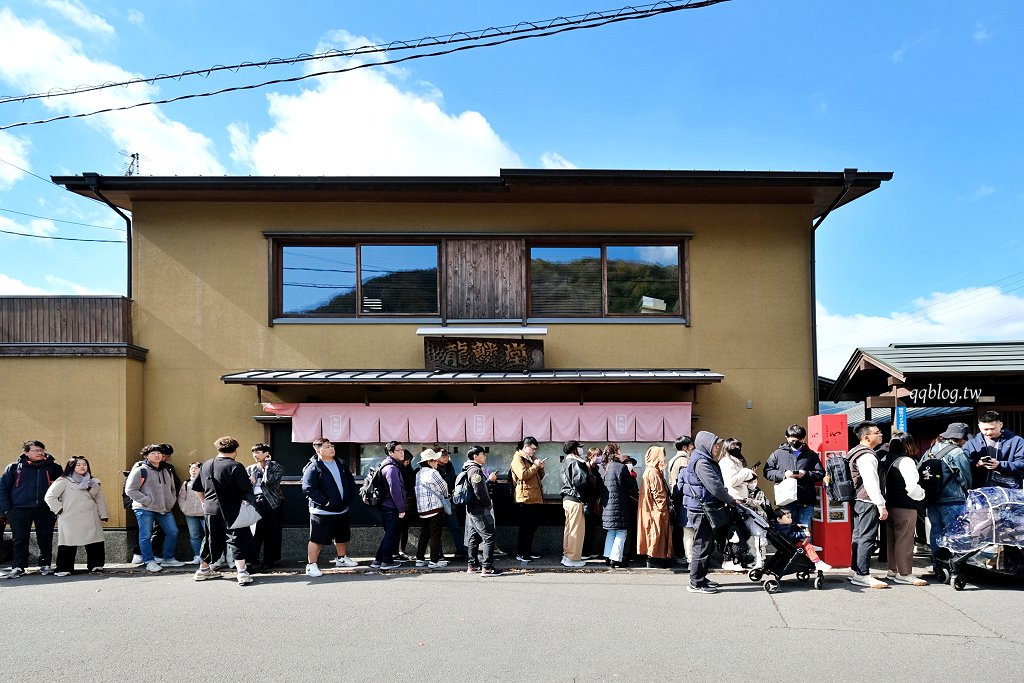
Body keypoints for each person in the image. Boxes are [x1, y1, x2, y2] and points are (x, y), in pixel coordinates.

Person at [681, 430, 743, 594]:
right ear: (706, 444)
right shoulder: (701, 462)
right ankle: (696, 582)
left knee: (705, 544)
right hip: (702, 509)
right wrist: (730, 500)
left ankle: (701, 577)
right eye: (715, 444)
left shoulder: (702, 458)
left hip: (702, 507)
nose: (717, 448)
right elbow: (714, 486)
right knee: (702, 545)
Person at [192, 436, 256, 586]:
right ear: (235, 450)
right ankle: (241, 572)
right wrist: (251, 481)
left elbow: (197, 488)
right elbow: (245, 488)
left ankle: (203, 570)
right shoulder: (235, 466)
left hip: (210, 509)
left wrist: (204, 503)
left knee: (210, 538)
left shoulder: (207, 465)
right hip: (232, 510)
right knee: (237, 538)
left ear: (218, 449)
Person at [0, 440, 64, 578]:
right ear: (26, 452)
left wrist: (58, 508)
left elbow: (62, 489)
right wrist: (6, 510)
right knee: (20, 539)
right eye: (36, 450)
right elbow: (3, 488)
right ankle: (18, 566)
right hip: (19, 509)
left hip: (45, 509)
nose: (40, 453)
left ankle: (45, 565)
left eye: (42, 450)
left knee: (45, 538)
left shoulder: (54, 468)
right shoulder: (14, 467)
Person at [301, 438, 359, 577]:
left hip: (342, 509)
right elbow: (307, 488)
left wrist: (348, 498)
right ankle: (311, 565)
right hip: (322, 511)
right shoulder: (314, 466)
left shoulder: (340, 463)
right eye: (327, 447)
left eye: (332, 446)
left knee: (343, 535)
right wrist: (325, 502)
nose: (331, 448)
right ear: (318, 450)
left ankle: (341, 558)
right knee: (317, 538)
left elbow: (350, 482)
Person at [920, 422, 972, 577]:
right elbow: (965, 477)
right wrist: (969, 492)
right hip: (953, 499)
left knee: (936, 531)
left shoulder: (931, 450)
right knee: (954, 533)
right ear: (960, 438)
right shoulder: (957, 452)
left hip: (932, 499)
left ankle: (938, 564)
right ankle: (954, 566)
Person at [43, 456, 109, 576]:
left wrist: (103, 514)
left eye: (84, 464)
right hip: (69, 517)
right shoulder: (63, 481)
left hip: (90, 515)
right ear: (71, 467)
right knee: (68, 542)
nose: (82, 466)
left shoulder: (93, 482)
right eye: (78, 464)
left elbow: (100, 499)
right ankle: (64, 568)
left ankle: (96, 565)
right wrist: (59, 509)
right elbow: (49, 497)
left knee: (95, 540)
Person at [124, 443, 183, 572]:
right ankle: (149, 561)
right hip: (144, 508)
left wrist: (171, 501)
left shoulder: (167, 470)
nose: (157, 455)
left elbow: (172, 488)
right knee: (145, 534)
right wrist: (146, 500)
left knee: (173, 531)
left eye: (159, 453)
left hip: (164, 508)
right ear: (146, 456)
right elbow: (130, 490)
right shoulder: (140, 470)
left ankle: (169, 558)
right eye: (153, 453)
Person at [846, 421, 889, 589]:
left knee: (858, 535)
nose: (881, 435)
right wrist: (881, 505)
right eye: (877, 433)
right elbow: (871, 482)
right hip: (867, 500)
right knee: (866, 537)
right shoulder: (868, 456)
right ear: (866, 437)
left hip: (857, 499)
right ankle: (862, 574)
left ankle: (856, 570)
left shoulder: (854, 452)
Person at [763, 424, 825, 539]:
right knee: (787, 531)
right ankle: (789, 556)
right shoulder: (777, 454)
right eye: (792, 438)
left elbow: (821, 473)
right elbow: (767, 472)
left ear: (803, 439)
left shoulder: (811, 455)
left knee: (805, 532)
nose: (795, 441)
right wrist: (784, 474)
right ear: (786, 437)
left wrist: (806, 474)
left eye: (798, 438)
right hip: (786, 500)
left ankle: (805, 555)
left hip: (806, 498)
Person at [882, 432, 927, 585]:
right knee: (905, 540)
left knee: (892, 540)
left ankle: (893, 570)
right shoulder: (907, 461)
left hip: (890, 504)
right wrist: (922, 495)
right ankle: (905, 573)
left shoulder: (887, 459)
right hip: (905, 506)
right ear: (909, 445)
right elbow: (912, 488)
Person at [462, 445, 502, 577]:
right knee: (489, 536)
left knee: (474, 537)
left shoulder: (468, 469)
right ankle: (487, 568)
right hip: (479, 509)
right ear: (475, 456)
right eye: (482, 454)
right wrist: (487, 503)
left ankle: (472, 565)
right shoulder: (475, 471)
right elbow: (479, 491)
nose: (485, 456)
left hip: (472, 509)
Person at [716, 437, 754, 570]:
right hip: (732, 500)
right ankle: (729, 560)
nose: (737, 449)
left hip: (742, 500)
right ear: (726, 447)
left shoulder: (738, 461)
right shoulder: (726, 462)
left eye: (738, 446)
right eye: (733, 447)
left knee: (743, 532)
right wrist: (745, 473)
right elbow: (731, 481)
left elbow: (742, 480)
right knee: (733, 532)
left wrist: (750, 478)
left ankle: (741, 558)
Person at [964, 410, 1024, 489]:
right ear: (979, 426)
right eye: (985, 429)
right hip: (979, 488)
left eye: (992, 429)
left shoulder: (1017, 441)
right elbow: (964, 463)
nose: (989, 432)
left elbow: (1022, 464)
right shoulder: (971, 443)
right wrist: (977, 463)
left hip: (1009, 490)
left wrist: (1000, 465)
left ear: (1001, 424)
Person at [248, 443, 284, 570]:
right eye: (253, 452)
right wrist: (249, 482)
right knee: (255, 532)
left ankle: (270, 560)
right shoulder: (250, 468)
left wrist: (267, 465)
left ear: (266, 454)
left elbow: (269, 481)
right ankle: (252, 560)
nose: (255, 455)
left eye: (258, 452)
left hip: (271, 503)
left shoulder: (276, 467)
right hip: (255, 502)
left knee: (272, 532)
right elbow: (245, 487)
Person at [372, 441, 407, 570]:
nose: (402, 452)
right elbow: (395, 490)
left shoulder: (387, 465)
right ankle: (386, 561)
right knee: (391, 534)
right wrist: (401, 508)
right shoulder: (391, 468)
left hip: (387, 506)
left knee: (389, 534)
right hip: (391, 506)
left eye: (402, 449)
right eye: (399, 450)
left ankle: (378, 560)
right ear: (391, 452)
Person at [510, 436, 545, 563]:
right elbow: (523, 475)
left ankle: (528, 550)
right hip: (524, 498)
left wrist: (540, 467)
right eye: (532, 448)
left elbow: (539, 476)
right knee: (525, 527)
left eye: (535, 449)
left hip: (535, 497)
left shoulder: (531, 459)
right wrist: (535, 466)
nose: (534, 451)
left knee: (532, 526)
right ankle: (521, 552)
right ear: (526, 446)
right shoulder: (517, 458)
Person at [601, 443, 636, 568]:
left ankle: (607, 556)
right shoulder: (621, 467)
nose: (621, 453)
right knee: (621, 532)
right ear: (615, 453)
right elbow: (629, 485)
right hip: (620, 505)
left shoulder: (607, 466)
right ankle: (615, 558)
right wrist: (631, 473)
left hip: (609, 505)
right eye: (619, 451)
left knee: (611, 531)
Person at [637, 445, 672, 568]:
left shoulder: (650, 470)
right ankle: (654, 559)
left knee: (652, 533)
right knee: (656, 533)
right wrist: (663, 509)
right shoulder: (653, 472)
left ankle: (653, 558)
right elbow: (658, 493)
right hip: (655, 509)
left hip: (650, 508)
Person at [414, 448, 449, 568]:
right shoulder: (433, 473)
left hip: (422, 509)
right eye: (435, 460)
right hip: (434, 508)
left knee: (424, 534)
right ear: (429, 462)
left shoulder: (418, 473)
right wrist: (445, 496)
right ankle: (434, 560)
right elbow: (443, 486)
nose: (437, 462)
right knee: (435, 534)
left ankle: (419, 558)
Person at [771, 508, 831, 572]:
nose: (790, 517)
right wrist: (803, 534)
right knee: (808, 547)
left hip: (789, 543)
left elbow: (790, 529)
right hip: (791, 544)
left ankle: (810, 548)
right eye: (788, 517)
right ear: (779, 519)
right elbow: (791, 535)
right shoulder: (783, 528)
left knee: (807, 545)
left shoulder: (780, 526)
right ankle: (818, 563)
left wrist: (796, 526)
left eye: (790, 516)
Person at [559, 440, 589, 568]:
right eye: (579, 447)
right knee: (576, 530)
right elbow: (581, 481)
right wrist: (586, 468)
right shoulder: (576, 462)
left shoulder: (565, 462)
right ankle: (573, 558)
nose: (581, 450)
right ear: (574, 449)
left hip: (567, 499)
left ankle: (567, 555)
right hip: (576, 499)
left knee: (569, 529)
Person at [436, 447, 468, 559]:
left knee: (454, 526)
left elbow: (454, 482)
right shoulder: (433, 469)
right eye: (443, 455)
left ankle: (460, 550)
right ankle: (438, 553)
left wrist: (454, 500)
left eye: (446, 455)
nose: (446, 457)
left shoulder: (450, 466)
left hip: (449, 500)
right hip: (437, 502)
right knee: (436, 528)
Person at [667, 436, 695, 567]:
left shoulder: (673, 460)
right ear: (685, 447)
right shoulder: (684, 461)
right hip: (684, 498)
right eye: (691, 446)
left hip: (676, 496)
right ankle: (683, 555)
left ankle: (680, 554)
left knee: (680, 528)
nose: (692, 448)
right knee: (686, 529)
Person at [581, 447, 606, 560]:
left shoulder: (597, 468)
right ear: (590, 456)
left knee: (591, 528)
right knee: (586, 528)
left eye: (599, 455)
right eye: (596, 455)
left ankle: (588, 550)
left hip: (594, 502)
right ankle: (584, 551)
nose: (598, 457)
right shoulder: (585, 467)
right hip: (587, 502)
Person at [178, 462, 205, 564]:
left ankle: (208, 555)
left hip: (204, 513)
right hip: (190, 514)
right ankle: (197, 555)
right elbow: (181, 498)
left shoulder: (205, 482)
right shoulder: (186, 483)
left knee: (209, 534)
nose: (193, 470)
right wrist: (185, 509)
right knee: (194, 535)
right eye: (191, 468)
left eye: (196, 468)